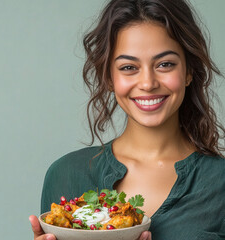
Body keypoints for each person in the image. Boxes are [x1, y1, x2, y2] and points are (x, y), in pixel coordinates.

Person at [29, 0, 225, 239]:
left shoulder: (220, 182)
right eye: (129, 67)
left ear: (188, 72)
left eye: (165, 64)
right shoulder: (66, 174)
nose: (147, 83)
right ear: (109, 78)